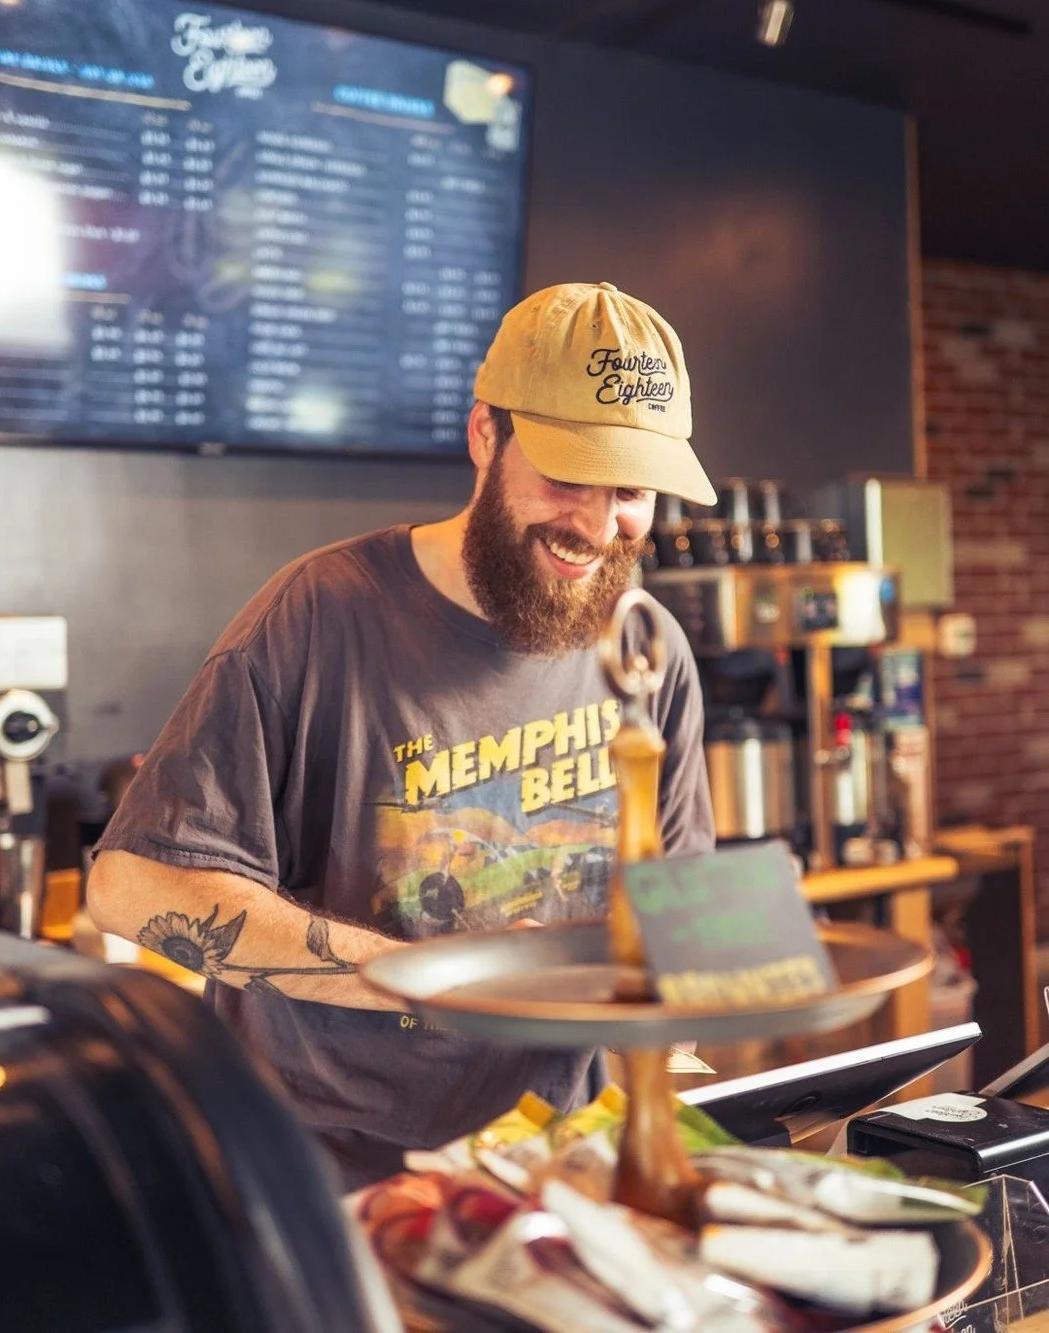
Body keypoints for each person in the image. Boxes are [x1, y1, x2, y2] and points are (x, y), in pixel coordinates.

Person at [87, 280, 717, 1190]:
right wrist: (429, 974)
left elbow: (677, 925)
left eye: (629, 490)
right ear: (484, 435)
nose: (594, 522)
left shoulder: (645, 648)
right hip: (323, 1178)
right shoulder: (318, 613)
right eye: (566, 476)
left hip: (550, 1172)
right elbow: (130, 885)